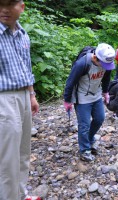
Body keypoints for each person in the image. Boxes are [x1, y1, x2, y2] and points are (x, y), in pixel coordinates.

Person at [0, 0, 40, 199]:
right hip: (3, 98)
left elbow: (27, 67)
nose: (4, 10)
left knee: (24, 151)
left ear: (21, 7)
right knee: (6, 159)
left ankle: (21, 195)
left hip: (24, 96)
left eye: (8, 4)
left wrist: (31, 95)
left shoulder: (22, 34)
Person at [63, 43, 115, 162]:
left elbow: (107, 77)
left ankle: (90, 139)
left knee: (99, 118)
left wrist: (106, 92)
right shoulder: (82, 64)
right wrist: (67, 100)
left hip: (96, 94)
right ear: (96, 58)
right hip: (82, 98)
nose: (105, 67)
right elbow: (70, 81)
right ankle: (85, 149)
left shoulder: (106, 63)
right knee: (84, 124)